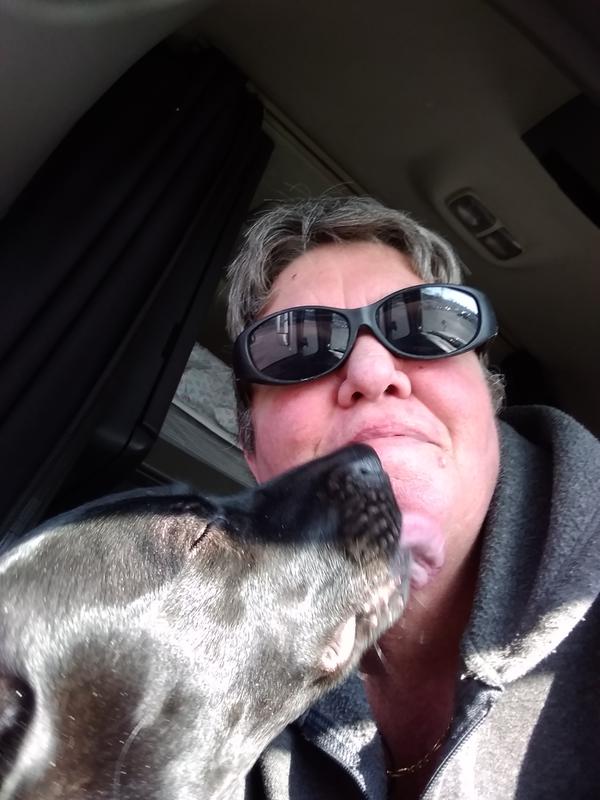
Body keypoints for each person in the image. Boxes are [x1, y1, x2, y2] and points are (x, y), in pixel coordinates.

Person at [225, 196, 600, 800]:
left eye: (425, 326)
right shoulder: (195, 666)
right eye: (299, 349)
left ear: (489, 394)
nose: (372, 373)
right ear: (252, 452)